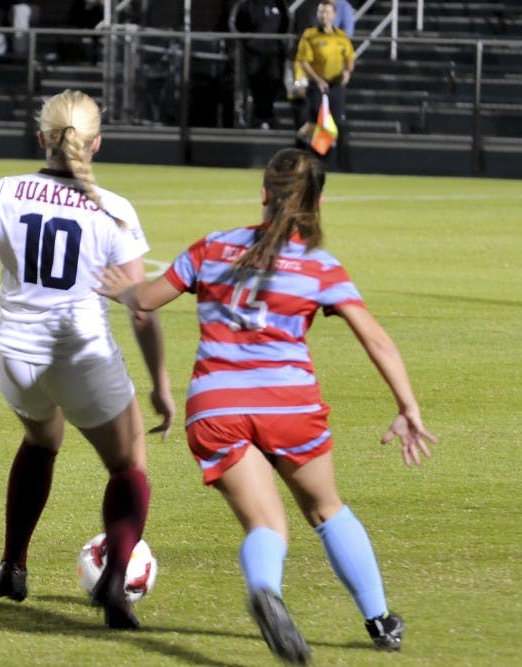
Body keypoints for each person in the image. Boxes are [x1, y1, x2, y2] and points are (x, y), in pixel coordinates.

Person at [94, 147, 437, 663]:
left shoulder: (211, 248)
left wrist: (125, 290)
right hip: (289, 407)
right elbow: (376, 339)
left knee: (266, 526)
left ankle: (266, 589)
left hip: (215, 409)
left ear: (263, 195)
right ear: (316, 203)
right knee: (326, 510)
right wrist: (407, 406)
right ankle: (381, 621)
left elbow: (145, 301)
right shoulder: (320, 267)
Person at [0, 89, 175, 629]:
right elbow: (140, 310)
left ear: (41, 138)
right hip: (79, 356)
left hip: (13, 358)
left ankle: (12, 565)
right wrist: (160, 383)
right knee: (129, 465)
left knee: (42, 440)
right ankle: (116, 585)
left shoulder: (6, 191)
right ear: (98, 143)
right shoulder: (115, 209)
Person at [295, 0, 354, 168]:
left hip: (335, 85)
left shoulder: (341, 36)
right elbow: (303, 61)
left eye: (327, 12)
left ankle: (330, 162)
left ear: (334, 15)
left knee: (335, 122)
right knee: (314, 122)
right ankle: (303, 153)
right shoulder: (310, 34)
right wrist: (317, 79)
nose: (324, 16)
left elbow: (350, 58)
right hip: (317, 84)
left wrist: (347, 71)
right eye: (321, 12)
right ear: (317, 14)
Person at [232, 0, 292, 129]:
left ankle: (268, 116)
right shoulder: (247, 4)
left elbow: (286, 24)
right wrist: (248, 42)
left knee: (273, 83)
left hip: (273, 53)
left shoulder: (279, 4)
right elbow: (237, 24)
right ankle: (257, 117)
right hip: (254, 53)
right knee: (256, 85)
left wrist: (280, 44)